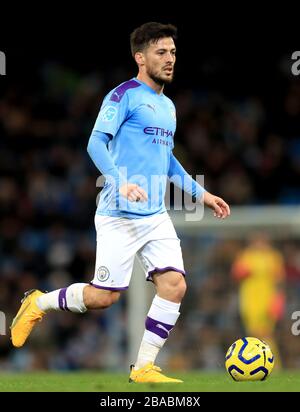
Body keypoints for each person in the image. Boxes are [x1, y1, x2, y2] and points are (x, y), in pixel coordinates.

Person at [10, 22, 230, 383]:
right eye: (161, 52)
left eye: (173, 52)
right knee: (103, 298)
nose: (170, 59)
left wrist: (202, 195)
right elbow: (96, 143)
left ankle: (143, 367)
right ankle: (38, 302)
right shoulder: (122, 95)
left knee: (174, 284)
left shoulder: (168, 107)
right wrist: (121, 181)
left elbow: (168, 160)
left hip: (155, 214)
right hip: (119, 213)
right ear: (139, 57)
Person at [231, 232, 285, 367]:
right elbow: (236, 273)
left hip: (268, 299)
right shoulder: (246, 255)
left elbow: (280, 280)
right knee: (255, 334)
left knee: (265, 333)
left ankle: (271, 364)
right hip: (249, 300)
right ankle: (263, 363)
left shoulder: (273, 256)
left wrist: (279, 300)